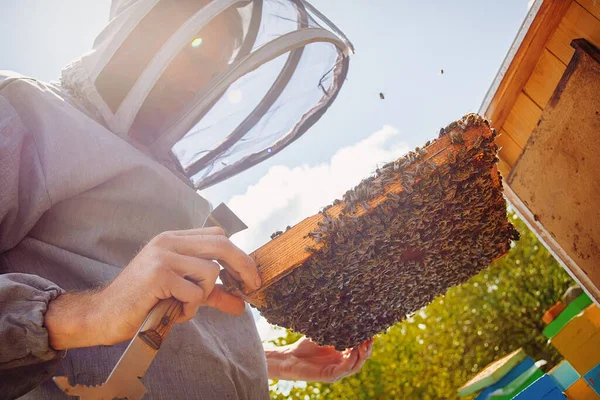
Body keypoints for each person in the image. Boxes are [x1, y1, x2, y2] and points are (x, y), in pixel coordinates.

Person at [0, 0, 372, 398]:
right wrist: (92, 312)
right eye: (193, 48)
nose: (199, 82)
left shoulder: (174, 179)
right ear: (137, 37)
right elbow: (106, 313)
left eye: (215, 68)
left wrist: (276, 361)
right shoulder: (21, 108)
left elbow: (168, 328)